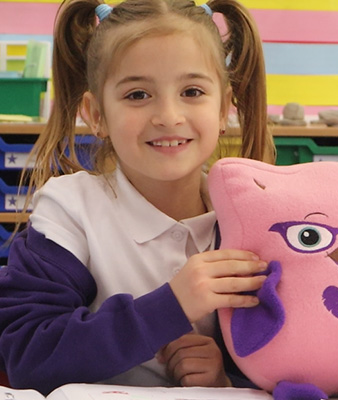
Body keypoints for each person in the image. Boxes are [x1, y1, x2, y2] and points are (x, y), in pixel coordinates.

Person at [0, 0, 276, 395]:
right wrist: (172, 306)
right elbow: (28, 357)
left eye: (192, 91)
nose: (168, 115)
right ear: (96, 115)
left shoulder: (253, 217)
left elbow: (291, 353)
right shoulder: (70, 211)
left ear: (224, 109)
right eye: (137, 95)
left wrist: (226, 375)